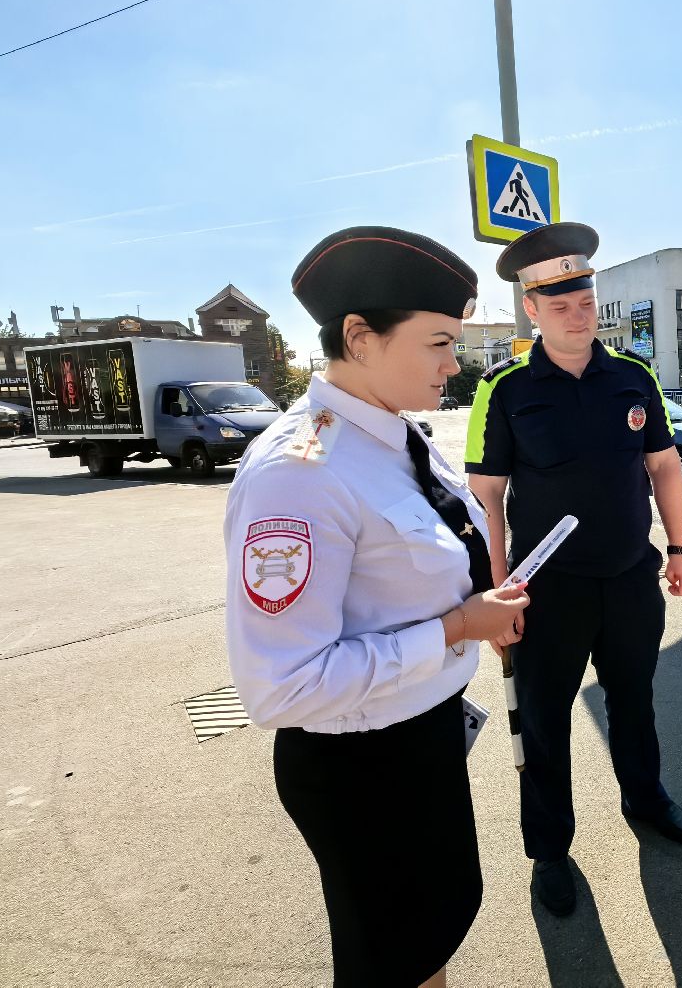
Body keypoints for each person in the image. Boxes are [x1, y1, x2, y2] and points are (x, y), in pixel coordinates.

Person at [224, 226, 530, 988]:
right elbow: (282, 686)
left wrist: (476, 609)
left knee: (428, 935)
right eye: (437, 343)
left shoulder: (396, 434)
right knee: (391, 955)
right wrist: (458, 628)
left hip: (417, 739)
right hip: (361, 768)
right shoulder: (299, 474)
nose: (454, 364)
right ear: (359, 337)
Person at [465, 221, 682, 918]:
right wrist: (499, 593)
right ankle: (550, 851)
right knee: (542, 723)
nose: (577, 314)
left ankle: (646, 798)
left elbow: (663, 466)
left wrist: (680, 551)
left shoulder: (633, 377)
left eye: (586, 301)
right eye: (559, 304)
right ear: (531, 309)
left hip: (630, 578)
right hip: (547, 593)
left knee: (634, 701)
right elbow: (487, 498)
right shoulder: (502, 389)